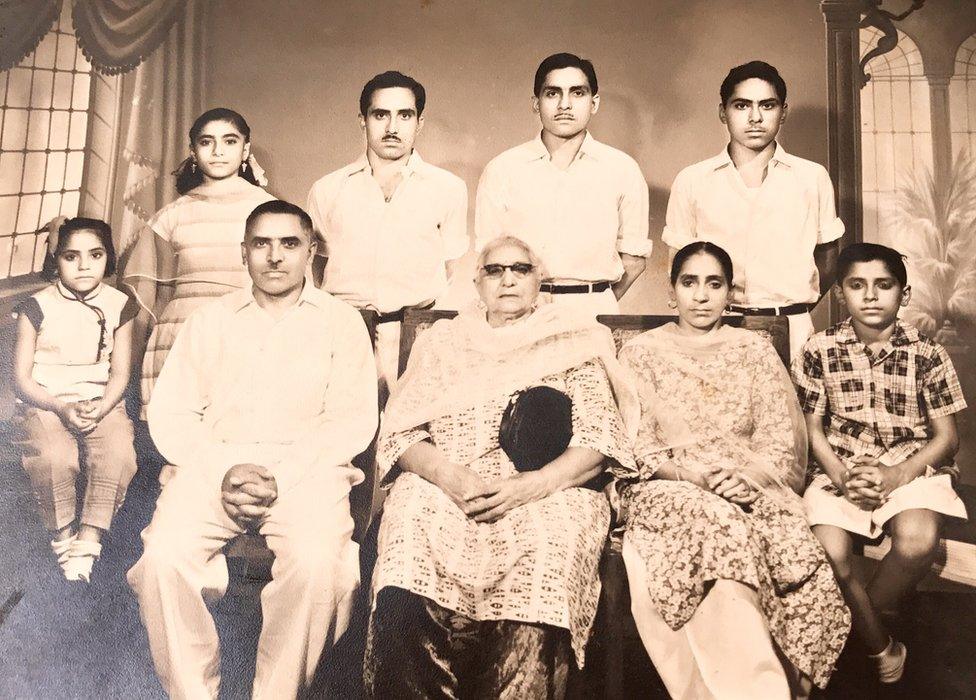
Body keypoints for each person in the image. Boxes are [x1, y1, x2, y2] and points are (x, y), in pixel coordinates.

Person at [364, 235, 637, 698]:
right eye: (495, 270)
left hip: (549, 487)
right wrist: (450, 478)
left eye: (521, 269)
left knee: (553, 542)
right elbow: (401, 434)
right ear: (477, 282)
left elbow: (598, 441)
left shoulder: (573, 340)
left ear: (539, 280)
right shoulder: (442, 342)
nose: (508, 279)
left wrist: (530, 486)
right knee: (408, 528)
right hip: (446, 481)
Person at [127, 200, 378, 699]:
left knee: (317, 565)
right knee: (162, 559)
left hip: (309, 471)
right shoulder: (208, 320)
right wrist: (226, 470)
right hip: (212, 467)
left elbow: (350, 420)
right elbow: (172, 412)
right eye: (261, 243)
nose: (275, 257)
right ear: (244, 253)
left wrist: (278, 476)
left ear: (311, 252)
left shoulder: (342, 322)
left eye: (289, 244)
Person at [615, 241, 849, 699]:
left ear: (729, 294)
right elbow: (634, 442)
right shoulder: (641, 353)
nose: (701, 296)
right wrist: (692, 478)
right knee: (719, 524)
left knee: (789, 541)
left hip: (751, 482)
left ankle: (777, 678)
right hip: (669, 485)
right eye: (689, 283)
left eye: (714, 284)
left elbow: (779, 437)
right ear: (672, 291)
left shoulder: (753, 351)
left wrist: (748, 478)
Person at [793, 242, 967, 684]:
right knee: (829, 552)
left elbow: (946, 438)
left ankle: (849, 631)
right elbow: (811, 430)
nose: (871, 296)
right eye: (857, 285)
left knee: (916, 539)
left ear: (903, 295)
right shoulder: (819, 348)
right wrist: (842, 477)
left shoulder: (929, 354)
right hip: (840, 468)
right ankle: (877, 641)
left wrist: (894, 476)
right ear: (839, 294)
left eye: (883, 285)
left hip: (910, 469)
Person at [662, 61, 845, 356]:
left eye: (768, 105)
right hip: (718, 327)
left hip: (792, 326)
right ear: (723, 112)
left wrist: (794, 306)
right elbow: (680, 261)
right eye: (742, 106)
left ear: (783, 112)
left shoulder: (811, 177)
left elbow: (827, 257)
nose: (755, 117)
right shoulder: (693, 180)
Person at [307, 70, 468, 394]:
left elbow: (449, 266)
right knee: (349, 434)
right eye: (381, 114)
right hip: (347, 331)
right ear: (362, 120)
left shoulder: (447, 188)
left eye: (404, 115)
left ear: (419, 122)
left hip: (417, 335)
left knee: (415, 431)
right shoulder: (328, 189)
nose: (392, 127)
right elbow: (318, 266)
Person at [121, 107, 274, 409]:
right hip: (180, 339)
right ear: (193, 151)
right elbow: (155, 302)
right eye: (206, 142)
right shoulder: (170, 216)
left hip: (247, 335)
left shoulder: (269, 211)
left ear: (245, 149)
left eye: (230, 141)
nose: (218, 151)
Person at [475, 53, 650, 316]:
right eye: (553, 93)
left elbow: (634, 260)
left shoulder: (622, 169)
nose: (564, 105)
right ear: (536, 103)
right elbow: (489, 256)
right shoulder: (503, 169)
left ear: (594, 103)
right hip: (522, 312)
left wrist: (595, 301)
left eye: (577, 93)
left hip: (593, 313)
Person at [12, 218, 138, 583]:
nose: (84, 265)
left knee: (117, 453)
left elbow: (120, 374)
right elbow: (21, 379)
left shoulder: (120, 304)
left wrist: (101, 406)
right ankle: (64, 537)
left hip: (100, 400)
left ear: (108, 259)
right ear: (57, 259)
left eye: (95, 255)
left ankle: (89, 539)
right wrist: (59, 407)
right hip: (46, 401)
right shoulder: (37, 306)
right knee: (54, 456)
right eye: (71, 256)